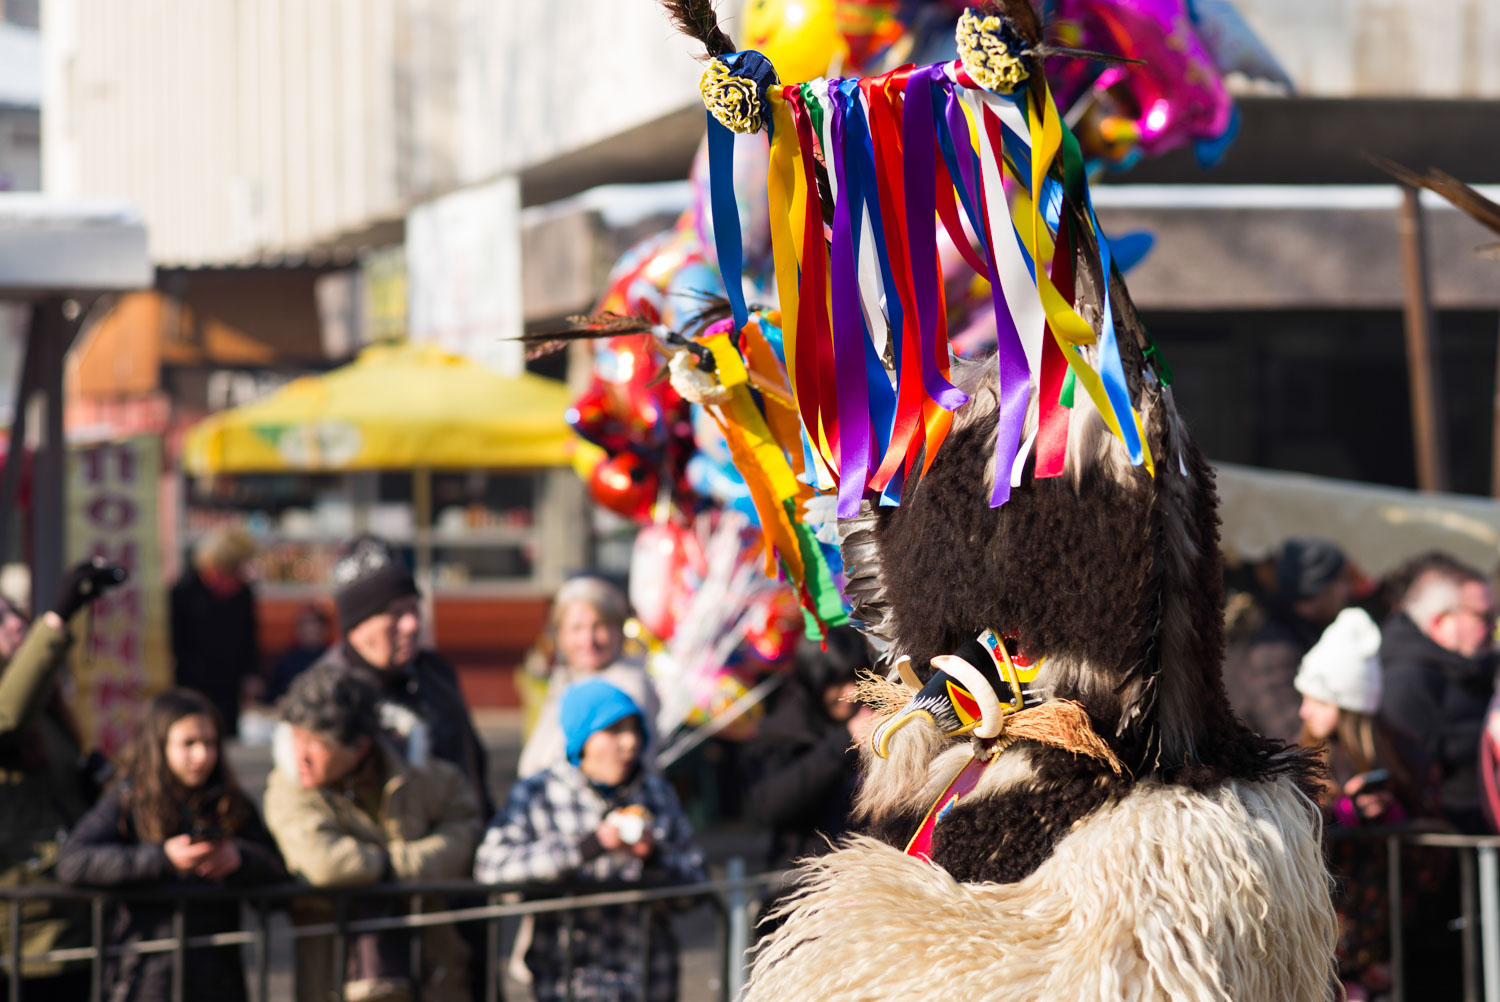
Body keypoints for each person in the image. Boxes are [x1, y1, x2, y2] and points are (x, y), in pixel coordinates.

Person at [474, 679, 705, 1002]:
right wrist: (585, 848)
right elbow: (491, 868)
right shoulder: (538, 793)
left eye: (635, 730)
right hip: (570, 979)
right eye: (613, 731)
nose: (629, 743)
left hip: (650, 977)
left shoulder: (655, 792)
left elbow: (697, 882)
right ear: (581, 741)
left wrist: (653, 857)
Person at [264, 663, 481, 1002]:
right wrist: (392, 868)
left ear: (359, 746)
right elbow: (322, 863)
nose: (300, 754)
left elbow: (465, 831)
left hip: (430, 974)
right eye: (296, 737)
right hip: (333, 978)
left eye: (316, 743)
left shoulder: (421, 773)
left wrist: (393, 866)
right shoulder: (289, 786)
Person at [55, 690, 285, 1002]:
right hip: (144, 975)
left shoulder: (229, 800)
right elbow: (74, 861)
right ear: (159, 745)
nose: (202, 755)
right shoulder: (128, 798)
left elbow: (278, 873)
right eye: (189, 743)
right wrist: (162, 858)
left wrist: (239, 859)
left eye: (210, 743)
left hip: (218, 978)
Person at [1294, 608, 1438, 1001]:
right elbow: (1292, 829)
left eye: (1317, 700)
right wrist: (1344, 814)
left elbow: (1428, 851)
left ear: (1347, 704)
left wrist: (1394, 815)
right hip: (1322, 939)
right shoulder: (1300, 757)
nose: (1304, 710)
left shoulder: (1400, 757)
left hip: (1380, 937)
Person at [0, 560, 126, 999]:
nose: (16, 623)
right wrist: (57, 617)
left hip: (71, 916)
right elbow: (7, 716)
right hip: (21, 933)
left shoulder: (47, 714)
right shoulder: (15, 710)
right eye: (1, 618)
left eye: (17, 613)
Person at [312, 535, 492, 816]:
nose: (411, 624)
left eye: (414, 609)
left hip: (462, 842)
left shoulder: (436, 672)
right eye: (396, 614)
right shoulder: (326, 693)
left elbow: (474, 766)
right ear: (357, 626)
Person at [1379, 555, 1495, 834]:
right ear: (1441, 622)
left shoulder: (1480, 666)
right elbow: (1411, 777)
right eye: (1485, 617)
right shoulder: (1407, 679)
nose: (1494, 627)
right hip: (1454, 851)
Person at [743, 627, 873, 871]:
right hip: (806, 880)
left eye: (857, 679)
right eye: (838, 681)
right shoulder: (780, 731)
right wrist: (846, 740)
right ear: (815, 680)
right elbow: (769, 805)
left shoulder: (872, 718)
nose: (852, 692)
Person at [517, 576, 660, 779]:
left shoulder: (627, 687)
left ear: (619, 631)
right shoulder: (566, 679)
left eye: (600, 626)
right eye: (577, 628)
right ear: (560, 635)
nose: (588, 640)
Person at [1226, 538, 1349, 744]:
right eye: (1342, 580)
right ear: (1320, 588)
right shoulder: (1273, 652)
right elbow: (1293, 737)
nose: (1347, 590)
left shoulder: (1309, 631)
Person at [171, 527, 260, 737]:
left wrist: (252, 673)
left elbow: (249, 635)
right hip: (193, 675)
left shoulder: (243, 592)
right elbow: (177, 635)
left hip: (230, 676)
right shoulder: (187, 588)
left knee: (226, 731)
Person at [267, 604, 332, 704]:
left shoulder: (334, 658)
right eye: (305, 624)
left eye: (314, 623)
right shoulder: (286, 662)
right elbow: (274, 696)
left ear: (324, 628)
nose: (310, 629)